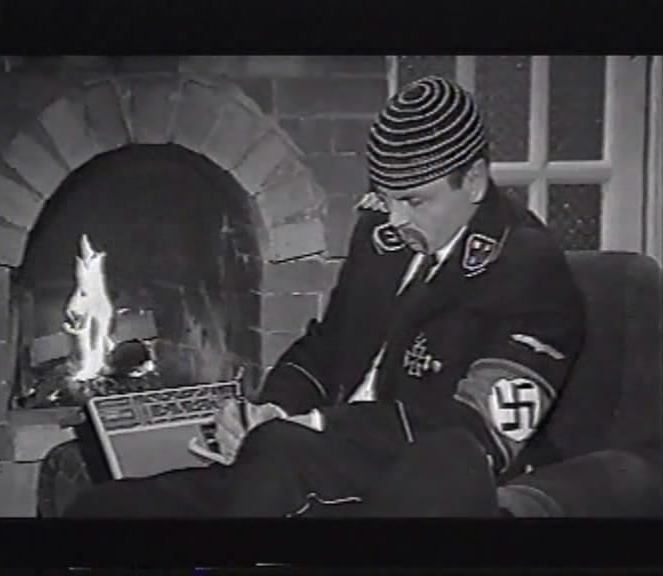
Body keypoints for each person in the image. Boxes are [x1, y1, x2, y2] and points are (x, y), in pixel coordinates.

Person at [62, 75, 585, 517]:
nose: (395, 219)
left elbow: (475, 434)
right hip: (298, 459)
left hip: (394, 484)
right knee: (101, 511)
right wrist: (268, 410)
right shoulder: (382, 234)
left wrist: (315, 427)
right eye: (386, 198)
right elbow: (328, 345)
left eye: (414, 200)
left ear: (473, 181)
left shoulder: (529, 270)